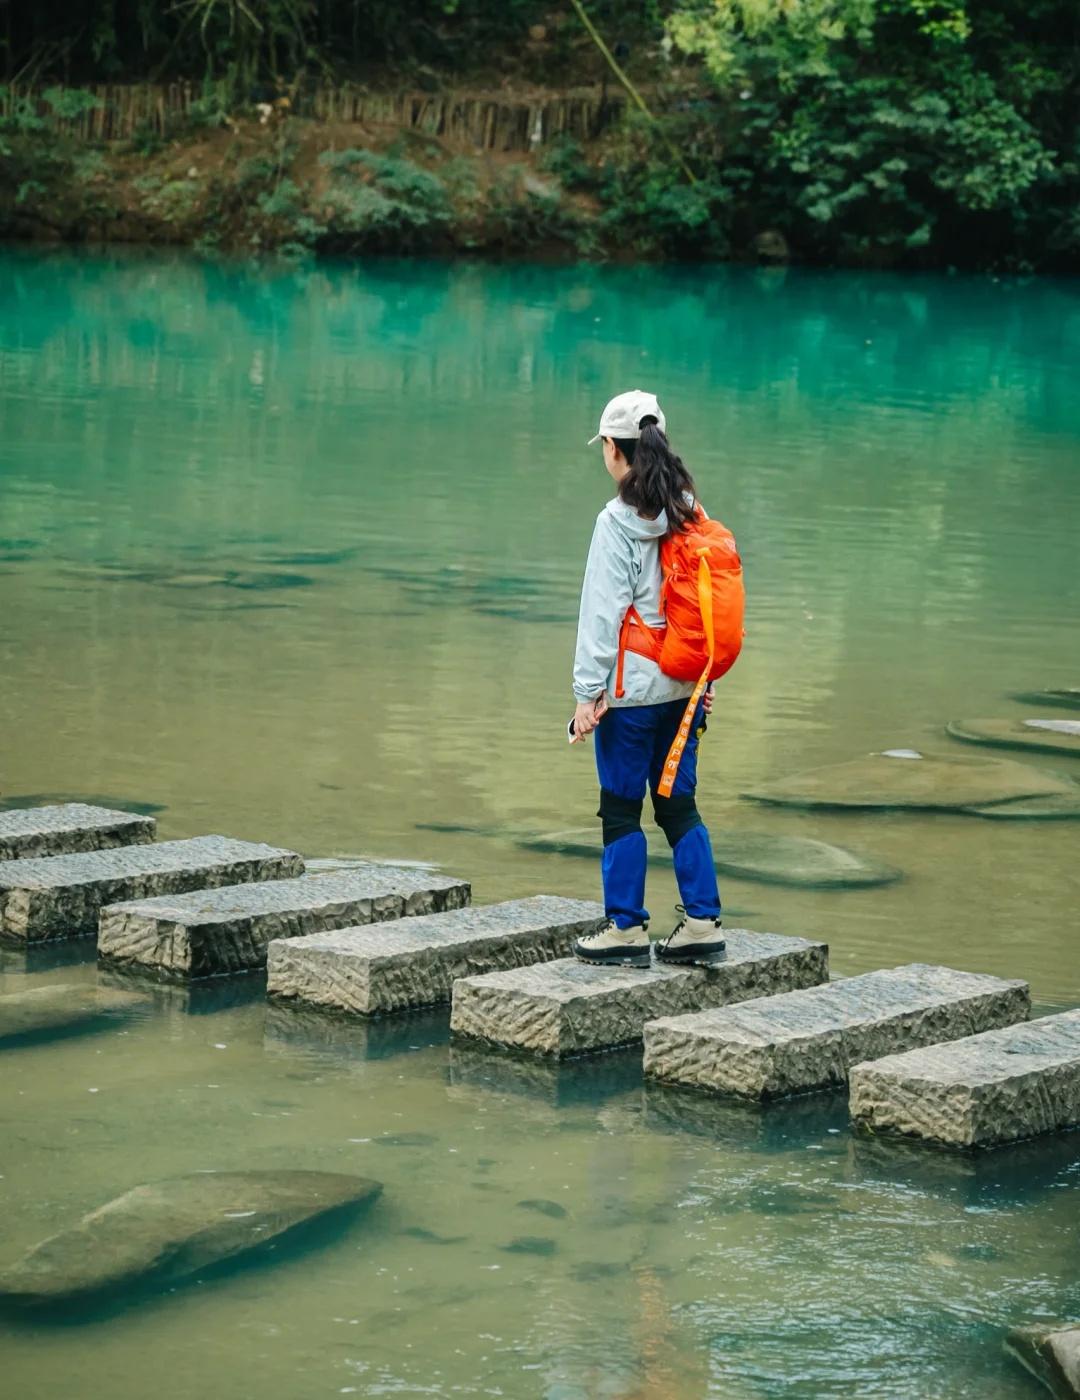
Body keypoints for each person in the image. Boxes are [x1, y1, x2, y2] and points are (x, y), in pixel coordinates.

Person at [569, 389, 725, 969]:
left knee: (619, 808)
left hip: (631, 696)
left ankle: (626, 928)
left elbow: (601, 615)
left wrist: (587, 696)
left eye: (605, 446)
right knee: (678, 805)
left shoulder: (615, 523)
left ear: (614, 449)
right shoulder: (689, 510)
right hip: (685, 688)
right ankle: (702, 923)